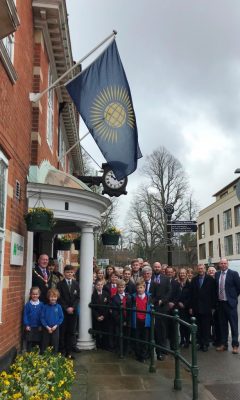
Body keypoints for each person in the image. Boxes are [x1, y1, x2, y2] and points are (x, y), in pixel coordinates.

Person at [215, 258, 240, 354]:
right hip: (221, 304)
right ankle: (223, 344)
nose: (223, 265)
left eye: (225, 263)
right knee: (223, 325)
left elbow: (238, 288)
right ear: (219, 265)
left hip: (230, 304)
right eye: (221, 263)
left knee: (234, 325)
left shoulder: (234, 274)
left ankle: (235, 346)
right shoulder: (217, 274)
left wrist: (233, 298)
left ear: (227, 264)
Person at [189, 264, 216, 352]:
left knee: (206, 327)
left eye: (202, 268)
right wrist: (191, 307)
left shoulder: (210, 280)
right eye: (199, 268)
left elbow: (213, 294)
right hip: (196, 307)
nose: (200, 270)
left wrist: (213, 307)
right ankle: (200, 343)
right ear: (197, 269)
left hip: (207, 307)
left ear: (205, 269)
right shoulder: (194, 280)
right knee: (198, 326)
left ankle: (205, 344)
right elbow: (191, 294)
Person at [57, 265, 80, 358]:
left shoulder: (76, 284)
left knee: (71, 332)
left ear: (73, 273)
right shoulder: (60, 284)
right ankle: (62, 350)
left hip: (73, 312)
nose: (69, 274)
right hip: (63, 311)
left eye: (71, 272)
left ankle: (69, 352)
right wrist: (66, 308)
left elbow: (77, 297)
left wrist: (73, 308)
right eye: (67, 272)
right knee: (63, 331)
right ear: (64, 273)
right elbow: (59, 298)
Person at [131, 281, 152, 362]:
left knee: (145, 338)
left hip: (145, 321)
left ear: (145, 288)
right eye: (138, 288)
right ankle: (138, 354)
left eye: (141, 287)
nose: (139, 289)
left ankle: (144, 355)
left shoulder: (149, 296)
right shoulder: (133, 297)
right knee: (137, 338)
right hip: (136, 320)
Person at [111, 279, 132, 355]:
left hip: (128, 321)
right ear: (117, 287)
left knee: (127, 336)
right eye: (119, 287)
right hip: (119, 321)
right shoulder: (114, 298)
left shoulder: (128, 297)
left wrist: (127, 321)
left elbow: (130, 310)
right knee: (119, 336)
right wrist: (122, 321)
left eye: (122, 287)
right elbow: (114, 312)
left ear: (125, 287)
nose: (121, 289)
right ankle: (119, 350)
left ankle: (126, 350)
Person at [40, 288, 64, 353]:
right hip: (46, 328)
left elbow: (61, 317)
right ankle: (44, 357)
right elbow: (42, 318)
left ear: (57, 297)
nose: (53, 298)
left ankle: (54, 358)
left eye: (54, 297)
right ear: (48, 297)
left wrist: (56, 326)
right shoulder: (45, 307)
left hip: (55, 328)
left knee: (55, 343)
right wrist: (47, 327)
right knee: (45, 343)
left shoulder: (59, 307)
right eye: (51, 297)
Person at [23, 286, 43, 352]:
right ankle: (29, 355)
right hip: (30, 326)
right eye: (33, 294)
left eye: (36, 294)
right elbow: (25, 315)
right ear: (30, 294)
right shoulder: (28, 305)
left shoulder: (41, 305)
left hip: (38, 326)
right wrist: (27, 325)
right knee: (29, 341)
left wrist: (41, 325)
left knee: (37, 341)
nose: (35, 295)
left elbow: (42, 316)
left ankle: (36, 355)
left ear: (39, 295)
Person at [91, 280, 110, 349]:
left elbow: (108, 305)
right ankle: (98, 345)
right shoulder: (93, 295)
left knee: (105, 331)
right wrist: (97, 316)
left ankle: (105, 346)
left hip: (105, 316)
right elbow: (93, 307)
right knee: (98, 331)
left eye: (101, 285)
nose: (100, 286)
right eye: (98, 285)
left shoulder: (106, 293)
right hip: (97, 316)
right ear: (95, 286)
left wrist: (103, 316)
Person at [165, 266, 181, 350]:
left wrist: (173, 302)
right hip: (165, 307)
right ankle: (166, 346)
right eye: (168, 272)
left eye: (171, 272)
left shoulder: (177, 283)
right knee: (166, 327)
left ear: (173, 273)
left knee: (174, 328)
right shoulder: (163, 282)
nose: (169, 273)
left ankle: (174, 346)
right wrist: (167, 303)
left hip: (174, 308)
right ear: (165, 272)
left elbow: (178, 295)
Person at [177, 268, 191, 348]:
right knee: (181, 325)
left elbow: (191, 296)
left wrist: (185, 304)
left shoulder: (189, 284)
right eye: (181, 273)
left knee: (187, 325)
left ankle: (187, 340)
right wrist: (179, 302)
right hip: (179, 307)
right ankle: (182, 340)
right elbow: (175, 294)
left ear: (186, 274)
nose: (182, 274)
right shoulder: (177, 283)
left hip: (186, 308)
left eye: (183, 273)